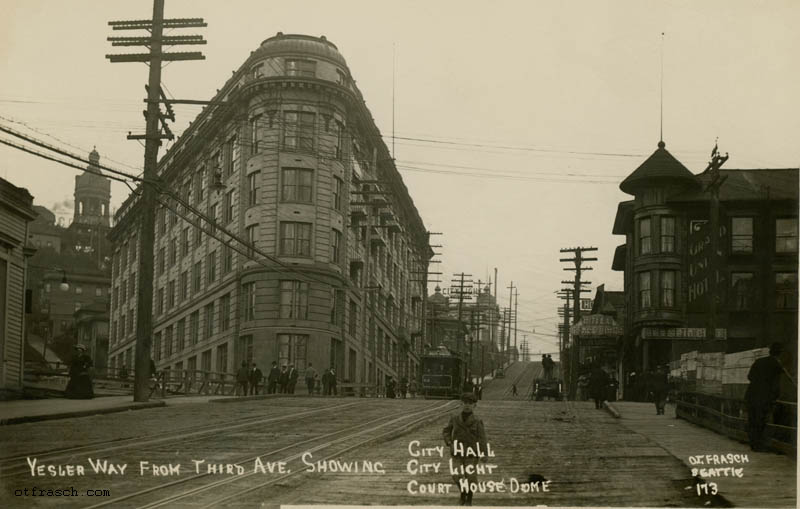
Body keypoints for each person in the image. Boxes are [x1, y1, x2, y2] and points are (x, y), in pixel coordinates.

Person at [442, 392, 488, 506]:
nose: (467, 406)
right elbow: (446, 431)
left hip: (471, 454)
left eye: (470, 403)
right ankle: (463, 493)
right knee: (456, 475)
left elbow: (482, 438)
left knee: (470, 477)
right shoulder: (454, 418)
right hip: (457, 452)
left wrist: (484, 453)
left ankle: (469, 498)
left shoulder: (477, 421)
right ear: (460, 404)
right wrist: (449, 442)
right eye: (465, 403)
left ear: (474, 406)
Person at [745, 342, 785, 452]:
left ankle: (753, 444)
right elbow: (777, 384)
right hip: (765, 398)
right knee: (761, 421)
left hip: (751, 395)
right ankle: (759, 445)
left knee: (752, 420)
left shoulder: (759, 361)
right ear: (780, 353)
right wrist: (775, 396)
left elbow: (749, 376)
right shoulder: (777, 365)